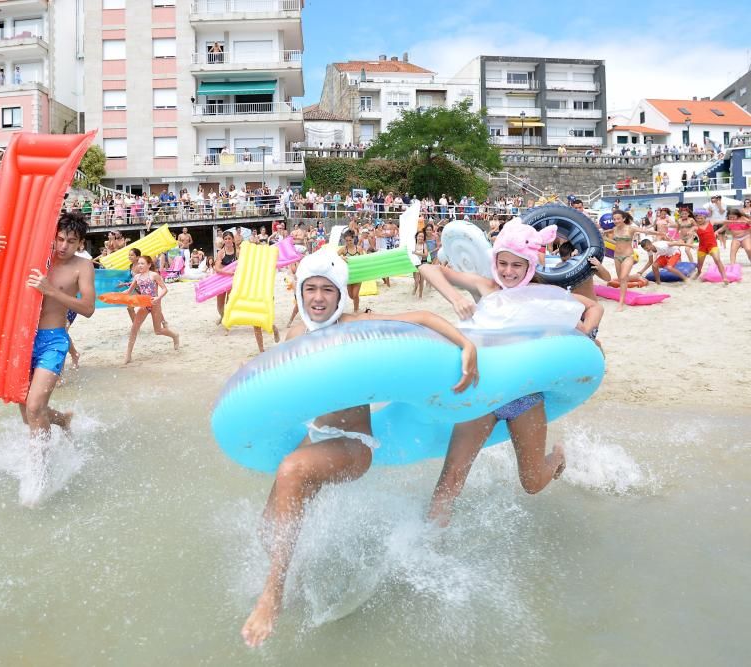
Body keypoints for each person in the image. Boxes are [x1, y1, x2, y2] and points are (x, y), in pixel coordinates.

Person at [240, 252, 479, 648]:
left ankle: (273, 594)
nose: (319, 298)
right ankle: (293, 579)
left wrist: (465, 343)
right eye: (311, 289)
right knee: (269, 528)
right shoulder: (296, 334)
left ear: (340, 296)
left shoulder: (354, 327)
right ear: (300, 292)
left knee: (290, 469)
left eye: (327, 290)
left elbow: (421, 318)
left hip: (354, 445)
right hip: (315, 436)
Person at [418, 221, 603, 528]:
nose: (507, 272)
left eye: (516, 265)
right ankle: (428, 549)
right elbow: (428, 268)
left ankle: (556, 456)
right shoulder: (486, 287)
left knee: (531, 484)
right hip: (484, 390)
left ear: (530, 265)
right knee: (450, 479)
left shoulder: (545, 296)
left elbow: (594, 307)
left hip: (525, 397)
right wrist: (455, 296)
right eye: (501, 263)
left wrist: (585, 331)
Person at [0, 212, 96, 439]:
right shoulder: (37, 258)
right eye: (60, 239)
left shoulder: (83, 266)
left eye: (71, 242)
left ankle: (40, 472)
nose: (63, 246)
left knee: (34, 407)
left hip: (53, 340)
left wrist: (50, 290)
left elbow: (88, 308)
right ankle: (62, 419)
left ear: (81, 243)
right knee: (27, 412)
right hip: (21, 338)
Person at [123, 255, 180, 364]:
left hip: (155, 304)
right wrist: (115, 296)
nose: (139, 265)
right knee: (134, 329)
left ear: (149, 265)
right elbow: (128, 291)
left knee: (158, 331)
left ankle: (175, 336)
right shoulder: (137, 277)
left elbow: (164, 289)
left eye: (142, 263)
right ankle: (128, 355)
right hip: (144, 304)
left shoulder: (154, 275)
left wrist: (158, 297)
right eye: (139, 263)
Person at [602, 210, 641, 311]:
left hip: (628, 255)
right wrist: (608, 239)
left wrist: (660, 233)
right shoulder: (614, 229)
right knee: (621, 279)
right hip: (617, 256)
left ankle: (621, 303)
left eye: (618, 218)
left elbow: (646, 231)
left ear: (623, 219)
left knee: (623, 278)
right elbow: (605, 236)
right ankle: (635, 276)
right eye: (614, 219)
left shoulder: (630, 229)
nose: (616, 221)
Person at [692, 210, 731, 285]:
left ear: (705, 217)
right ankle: (699, 272)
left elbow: (723, 221)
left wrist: (738, 221)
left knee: (717, 260)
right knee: (699, 266)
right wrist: (689, 232)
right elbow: (691, 230)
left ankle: (724, 277)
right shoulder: (695, 227)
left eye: (701, 218)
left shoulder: (711, 222)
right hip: (702, 248)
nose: (699, 220)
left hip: (712, 246)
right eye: (698, 218)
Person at [337, 229, 363, 312]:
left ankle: (356, 310)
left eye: (350, 240)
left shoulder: (359, 249)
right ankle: (357, 304)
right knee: (351, 296)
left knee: (355, 295)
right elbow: (333, 257)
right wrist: (341, 257)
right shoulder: (343, 250)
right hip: (348, 275)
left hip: (358, 274)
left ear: (354, 239)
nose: (348, 242)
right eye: (347, 240)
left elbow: (364, 260)